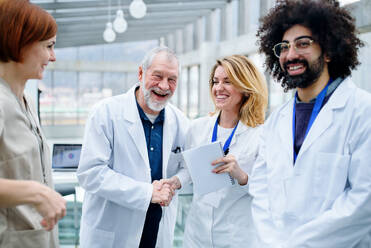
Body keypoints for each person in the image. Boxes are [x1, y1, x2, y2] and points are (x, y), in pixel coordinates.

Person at [250, 0, 371, 247]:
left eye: (303, 44)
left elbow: (363, 200)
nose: (291, 54)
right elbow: (260, 190)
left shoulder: (362, 111)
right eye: (284, 47)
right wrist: (273, 242)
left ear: (327, 50)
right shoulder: (276, 121)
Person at [77, 46, 190, 248]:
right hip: (113, 232)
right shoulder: (105, 113)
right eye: (158, 76)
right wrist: (147, 193)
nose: (164, 86)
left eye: (172, 79)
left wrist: (175, 182)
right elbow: (90, 173)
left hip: (156, 230)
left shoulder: (180, 121)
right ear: (141, 73)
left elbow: (188, 166)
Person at [163, 55, 268, 247]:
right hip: (197, 234)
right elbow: (189, 170)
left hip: (236, 236)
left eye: (227, 82)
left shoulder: (261, 135)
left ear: (245, 88)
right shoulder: (197, 128)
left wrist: (241, 176)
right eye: (215, 81)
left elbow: (267, 189)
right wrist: (176, 182)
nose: (218, 88)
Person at [0, 0, 66, 247]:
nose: (53, 57)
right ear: (21, 41)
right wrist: (36, 193)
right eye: (48, 46)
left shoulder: (25, 99)